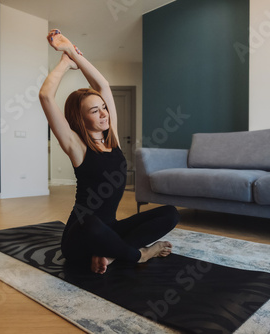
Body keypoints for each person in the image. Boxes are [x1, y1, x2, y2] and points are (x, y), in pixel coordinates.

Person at [39, 29, 179, 274]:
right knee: (91, 222)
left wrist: (73, 52)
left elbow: (102, 84)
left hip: (110, 229)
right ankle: (139, 255)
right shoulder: (76, 146)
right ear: (80, 118)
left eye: (103, 107)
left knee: (170, 213)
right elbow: (45, 96)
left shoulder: (112, 137)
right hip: (80, 236)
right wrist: (63, 62)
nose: (104, 114)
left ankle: (110, 252)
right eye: (94, 111)